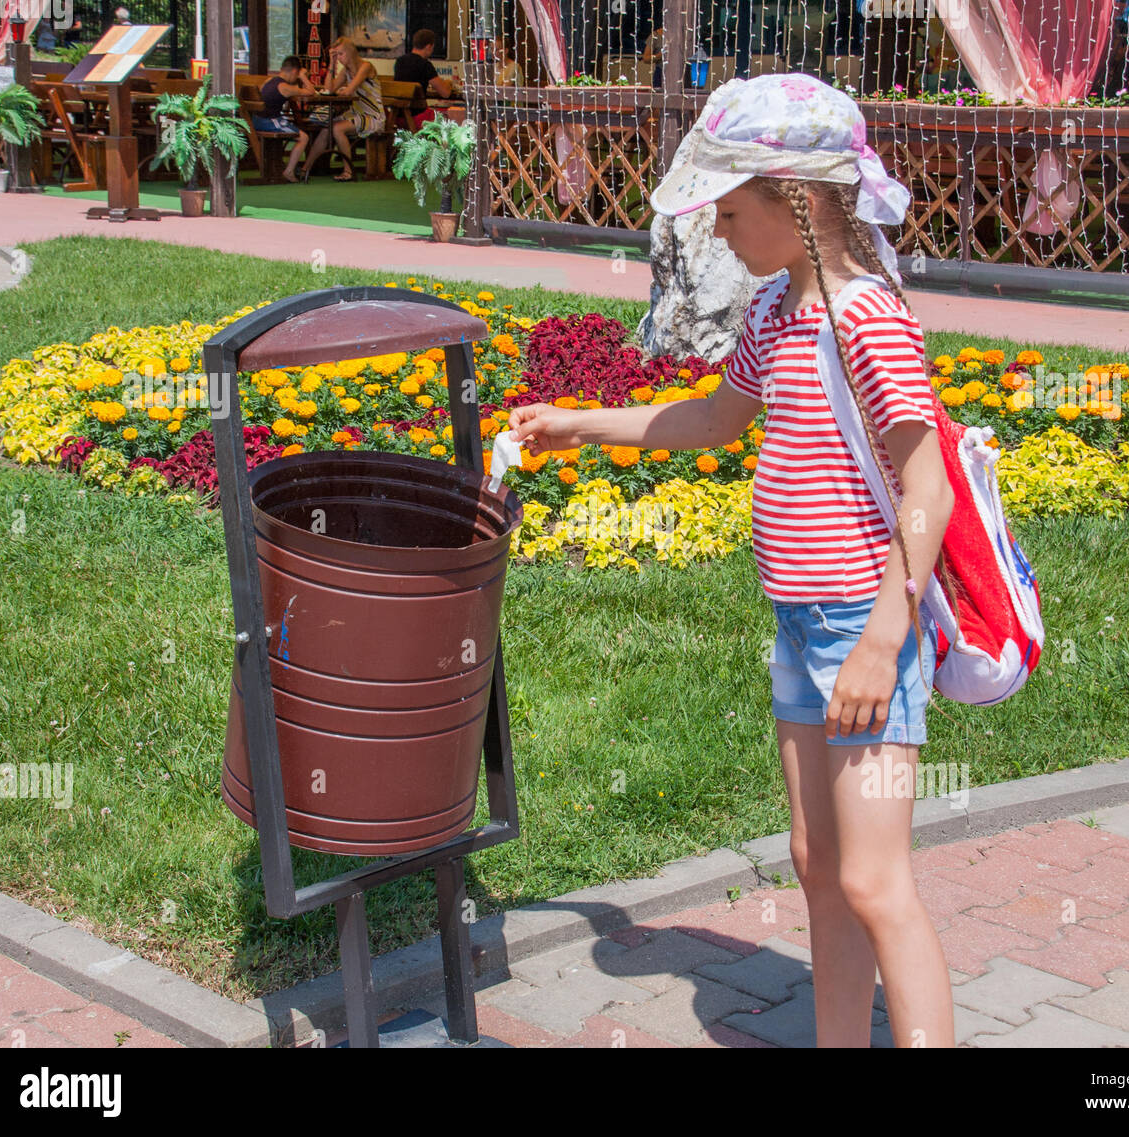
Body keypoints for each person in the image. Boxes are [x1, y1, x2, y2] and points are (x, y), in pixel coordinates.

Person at [506, 74, 956, 1049]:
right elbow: (716, 418)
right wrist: (580, 425)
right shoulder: (774, 311)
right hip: (800, 626)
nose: (716, 228)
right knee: (815, 861)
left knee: (876, 882)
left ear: (796, 200)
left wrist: (884, 638)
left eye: (731, 208)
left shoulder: (867, 319)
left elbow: (931, 493)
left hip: (860, 627)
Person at [300, 36, 385, 182]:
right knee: (328, 127)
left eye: (340, 54)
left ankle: (348, 171)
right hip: (356, 113)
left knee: (337, 129)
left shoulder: (366, 67)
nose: (339, 58)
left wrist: (344, 90)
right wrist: (331, 65)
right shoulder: (345, 71)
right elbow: (329, 88)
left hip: (373, 117)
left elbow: (351, 89)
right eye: (336, 55)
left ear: (350, 52)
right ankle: (305, 169)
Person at [256, 55, 317, 183]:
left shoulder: (269, 80)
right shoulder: (284, 87)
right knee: (304, 137)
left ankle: (283, 168)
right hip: (269, 121)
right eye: (296, 75)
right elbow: (311, 92)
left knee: (292, 127)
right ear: (295, 71)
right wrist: (303, 76)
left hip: (256, 120)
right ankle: (289, 172)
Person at [394, 28, 465, 126]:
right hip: (417, 117)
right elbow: (445, 93)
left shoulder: (400, 62)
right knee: (449, 118)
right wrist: (448, 83)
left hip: (398, 117)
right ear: (428, 46)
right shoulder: (425, 65)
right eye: (432, 47)